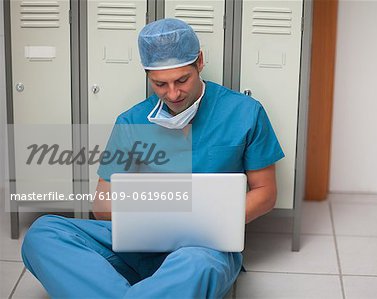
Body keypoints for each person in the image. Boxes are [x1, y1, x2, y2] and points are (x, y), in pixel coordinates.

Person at [21, 18, 284, 298]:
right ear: (147, 75)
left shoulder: (244, 112)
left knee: (199, 265)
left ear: (200, 62)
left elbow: (265, 192)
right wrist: (155, 215)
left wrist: (206, 222)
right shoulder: (132, 121)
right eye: (160, 84)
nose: (173, 94)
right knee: (43, 234)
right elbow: (102, 204)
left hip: (201, 246)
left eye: (182, 80)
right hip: (140, 244)